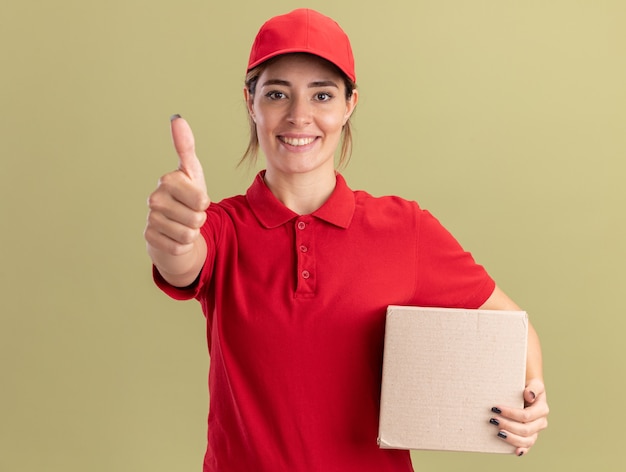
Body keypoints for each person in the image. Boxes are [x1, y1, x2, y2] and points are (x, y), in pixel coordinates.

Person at [144, 8, 549, 472]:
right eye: (277, 94)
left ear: (349, 104)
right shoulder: (220, 227)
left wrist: (532, 394)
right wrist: (173, 237)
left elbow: (513, 326)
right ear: (250, 101)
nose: (300, 116)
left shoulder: (404, 229)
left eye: (322, 95)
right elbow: (183, 260)